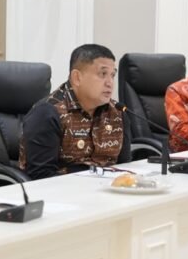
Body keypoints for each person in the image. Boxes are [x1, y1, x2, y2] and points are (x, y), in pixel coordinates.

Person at [20, 44, 132, 180]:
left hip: (109, 193)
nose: (110, 83)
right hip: (61, 196)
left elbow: (125, 167)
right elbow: (42, 177)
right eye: (103, 74)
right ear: (77, 78)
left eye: (112, 75)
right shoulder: (47, 113)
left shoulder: (117, 113)